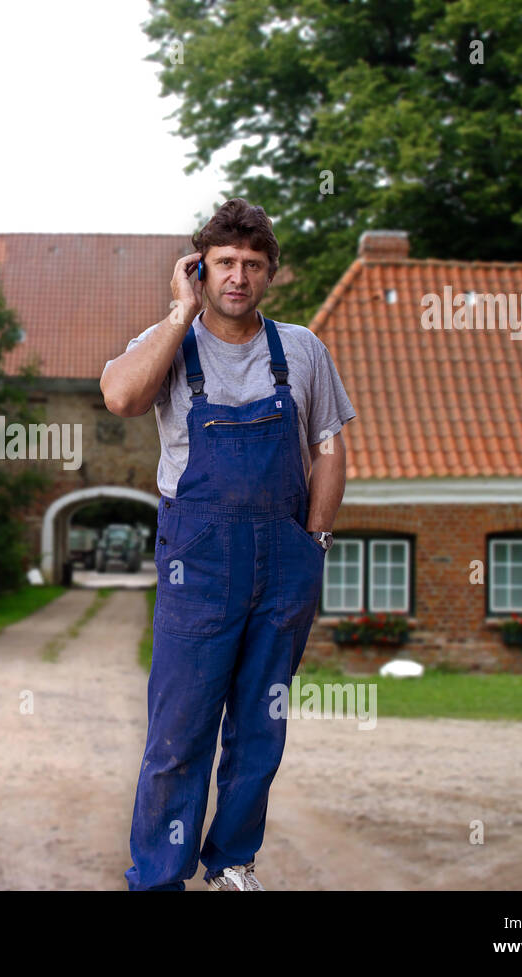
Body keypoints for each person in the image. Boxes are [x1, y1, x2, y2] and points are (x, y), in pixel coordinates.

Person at [100, 199, 356, 891]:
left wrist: (316, 540)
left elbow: (329, 447)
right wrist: (179, 312)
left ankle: (233, 862)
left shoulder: (301, 349)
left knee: (258, 725)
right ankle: (159, 875)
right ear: (199, 269)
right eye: (224, 264)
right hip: (199, 559)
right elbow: (121, 397)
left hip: (285, 557)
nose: (238, 277)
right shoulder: (169, 341)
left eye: (252, 264)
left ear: (270, 273)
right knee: (179, 729)